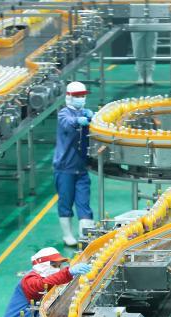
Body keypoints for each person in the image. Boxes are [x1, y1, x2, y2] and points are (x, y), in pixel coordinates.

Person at [2, 247, 91, 317]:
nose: (58, 269)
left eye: (59, 266)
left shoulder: (48, 278)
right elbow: (42, 285)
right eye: (54, 265)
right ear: (43, 265)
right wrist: (68, 273)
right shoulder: (28, 280)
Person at [54, 81, 95, 247]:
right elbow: (68, 122)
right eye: (78, 96)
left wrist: (93, 117)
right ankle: (67, 235)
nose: (81, 98)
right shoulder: (64, 114)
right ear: (69, 97)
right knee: (65, 202)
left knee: (84, 202)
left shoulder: (85, 113)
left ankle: (85, 236)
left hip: (81, 168)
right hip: (65, 168)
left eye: (83, 95)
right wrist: (79, 120)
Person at [129, 17, 158, 85]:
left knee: (151, 48)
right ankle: (140, 74)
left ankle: (149, 74)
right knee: (137, 48)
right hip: (136, 18)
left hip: (152, 18)